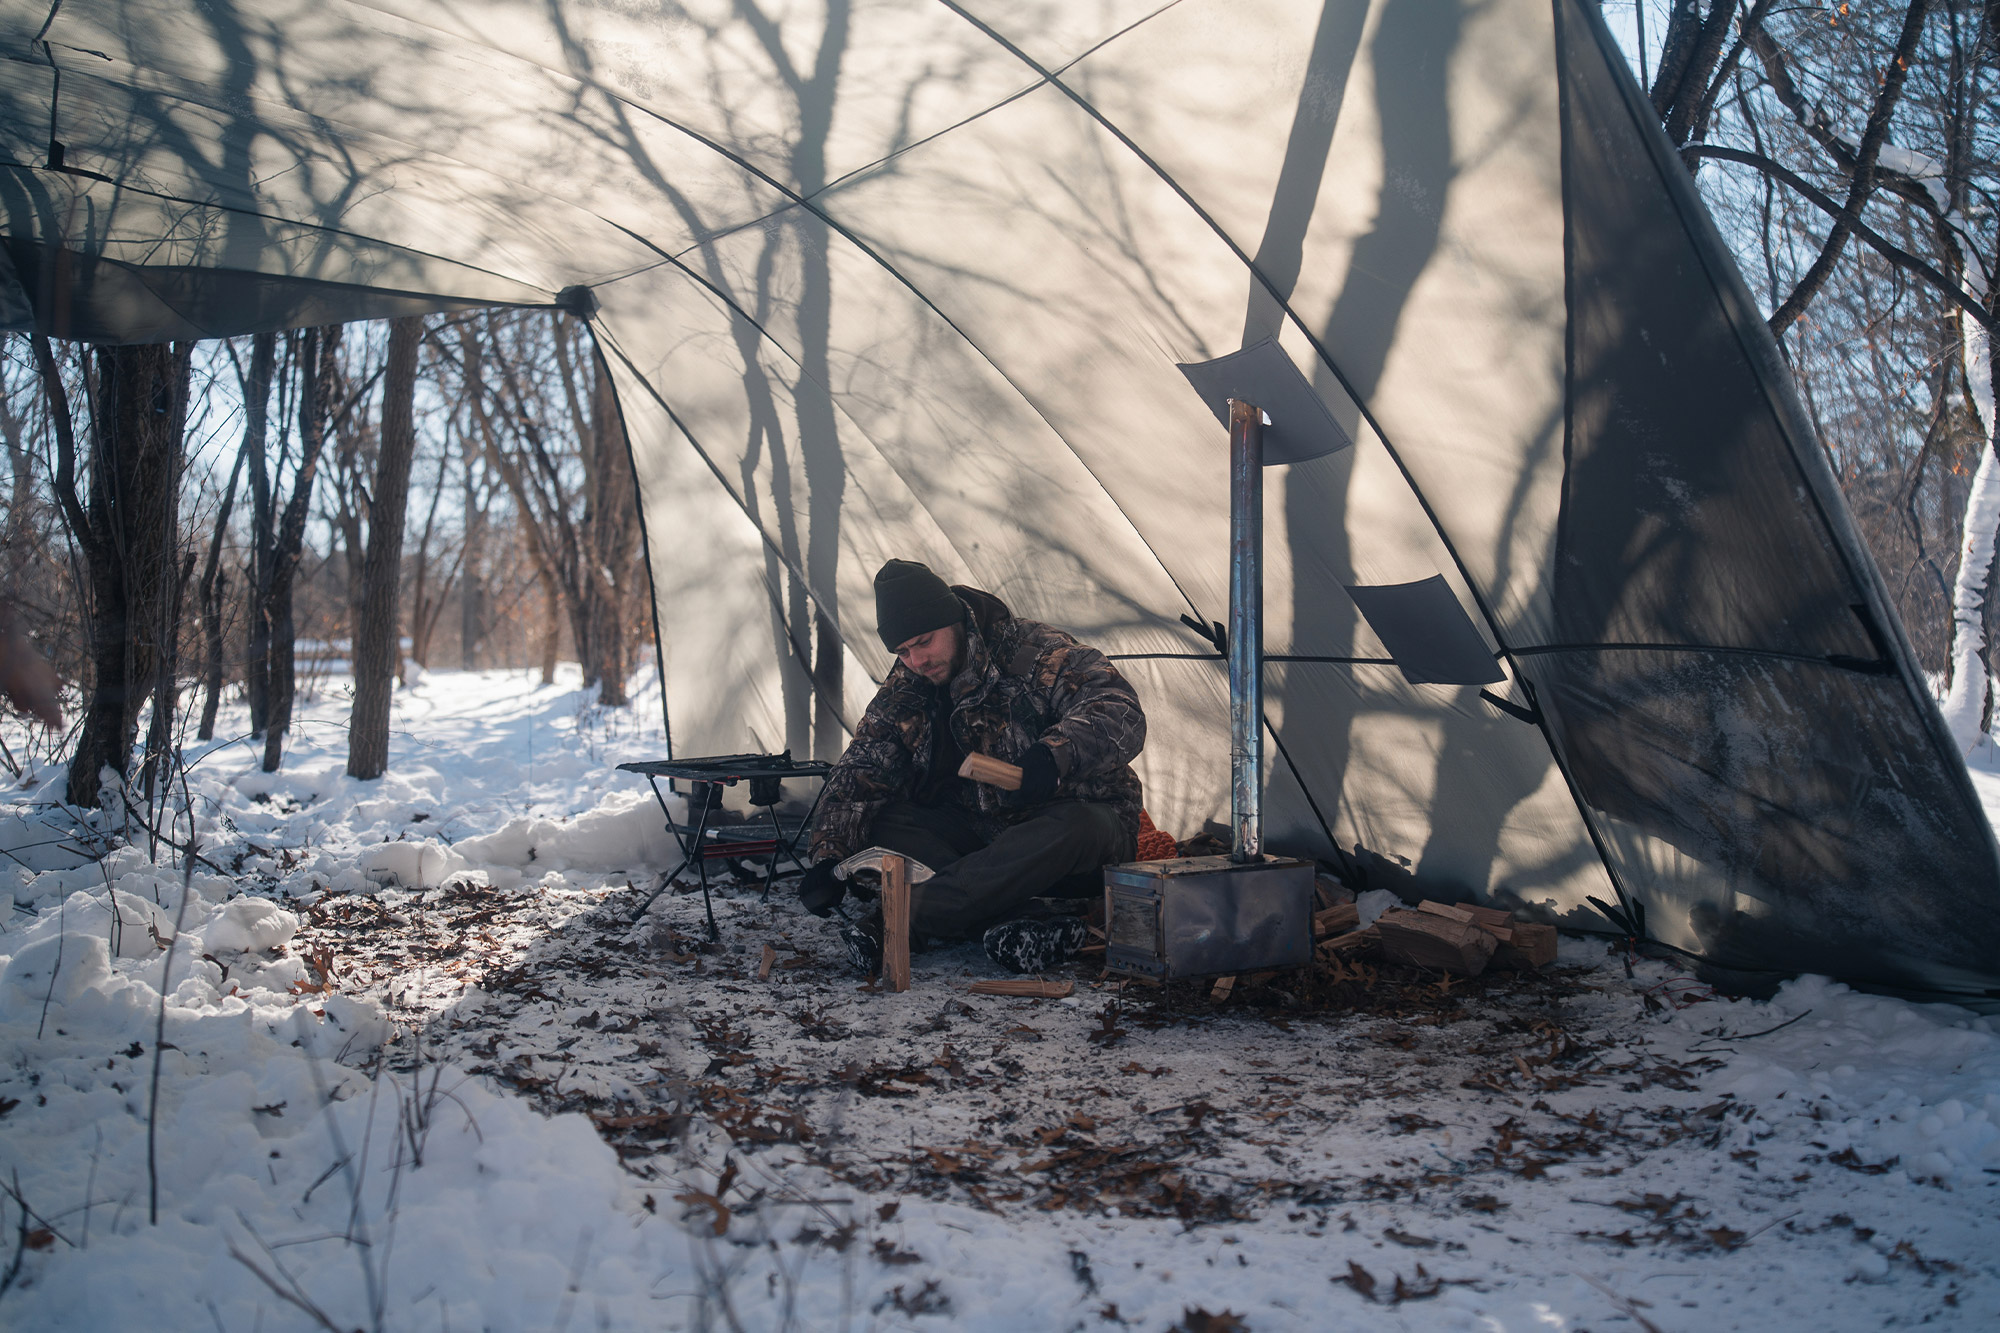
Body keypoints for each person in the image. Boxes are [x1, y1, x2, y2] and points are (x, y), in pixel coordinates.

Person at [796, 559, 1145, 974]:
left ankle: (900, 922)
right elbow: (860, 768)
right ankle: (1018, 918)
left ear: (954, 620)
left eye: (924, 642)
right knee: (880, 821)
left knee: (1080, 826)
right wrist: (828, 857)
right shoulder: (908, 684)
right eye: (902, 651)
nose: (916, 660)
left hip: (1070, 835)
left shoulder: (1036, 652)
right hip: (983, 838)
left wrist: (1053, 756)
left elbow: (1119, 709)